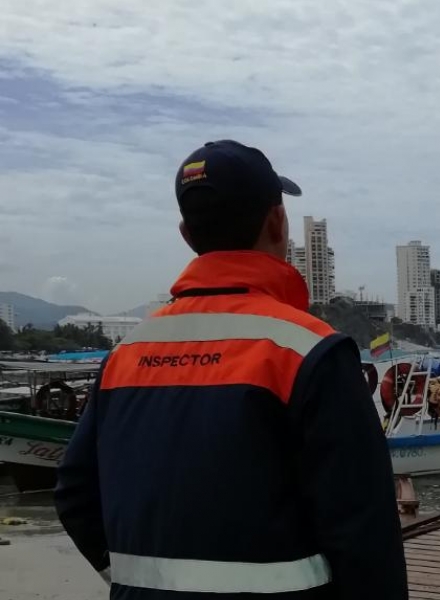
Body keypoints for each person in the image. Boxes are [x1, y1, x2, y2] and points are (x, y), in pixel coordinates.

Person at [53, 140, 408, 599]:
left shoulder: (127, 354)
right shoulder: (310, 350)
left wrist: (129, 576)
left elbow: (75, 492)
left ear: (186, 233)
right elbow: (364, 534)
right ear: (278, 222)